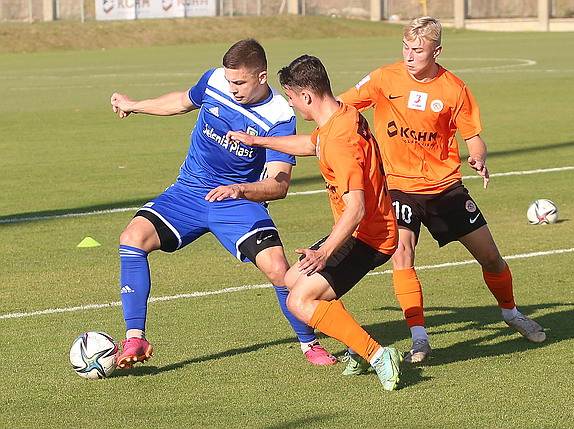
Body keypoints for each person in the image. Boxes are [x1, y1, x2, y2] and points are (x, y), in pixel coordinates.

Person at [109, 39, 336, 369]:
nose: (232, 89)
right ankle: (135, 337)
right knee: (132, 238)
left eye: (240, 82)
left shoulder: (279, 115)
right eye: (230, 81)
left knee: (278, 270)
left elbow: (279, 184)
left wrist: (239, 190)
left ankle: (309, 342)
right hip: (189, 191)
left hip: (237, 201)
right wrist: (135, 104)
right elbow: (182, 101)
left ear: (261, 76)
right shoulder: (215, 80)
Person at [337, 16, 546, 370]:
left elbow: (473, 138)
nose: (409, 56)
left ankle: (511, 312)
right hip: (398, 186)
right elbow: (340, 108)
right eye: (406, 47)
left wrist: (478, 157)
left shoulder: (454, 89)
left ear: (436, 51)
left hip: (445, 187)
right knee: (403, 254)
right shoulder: (384, 78)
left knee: (491, 258)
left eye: (418, 50)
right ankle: (419, 337)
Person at [227, 55, 402, 391]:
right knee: (293, 278)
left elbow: (356, 208)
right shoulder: (342, 115)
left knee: (299, 301)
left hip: (369, 237)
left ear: (306, 96)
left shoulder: (339, 142)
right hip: (362, 229)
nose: (291, 104)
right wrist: (258, 141)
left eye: (292, 97)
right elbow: (312, 143)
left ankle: (378, 355)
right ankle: (356, 344)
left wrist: (325, 253)